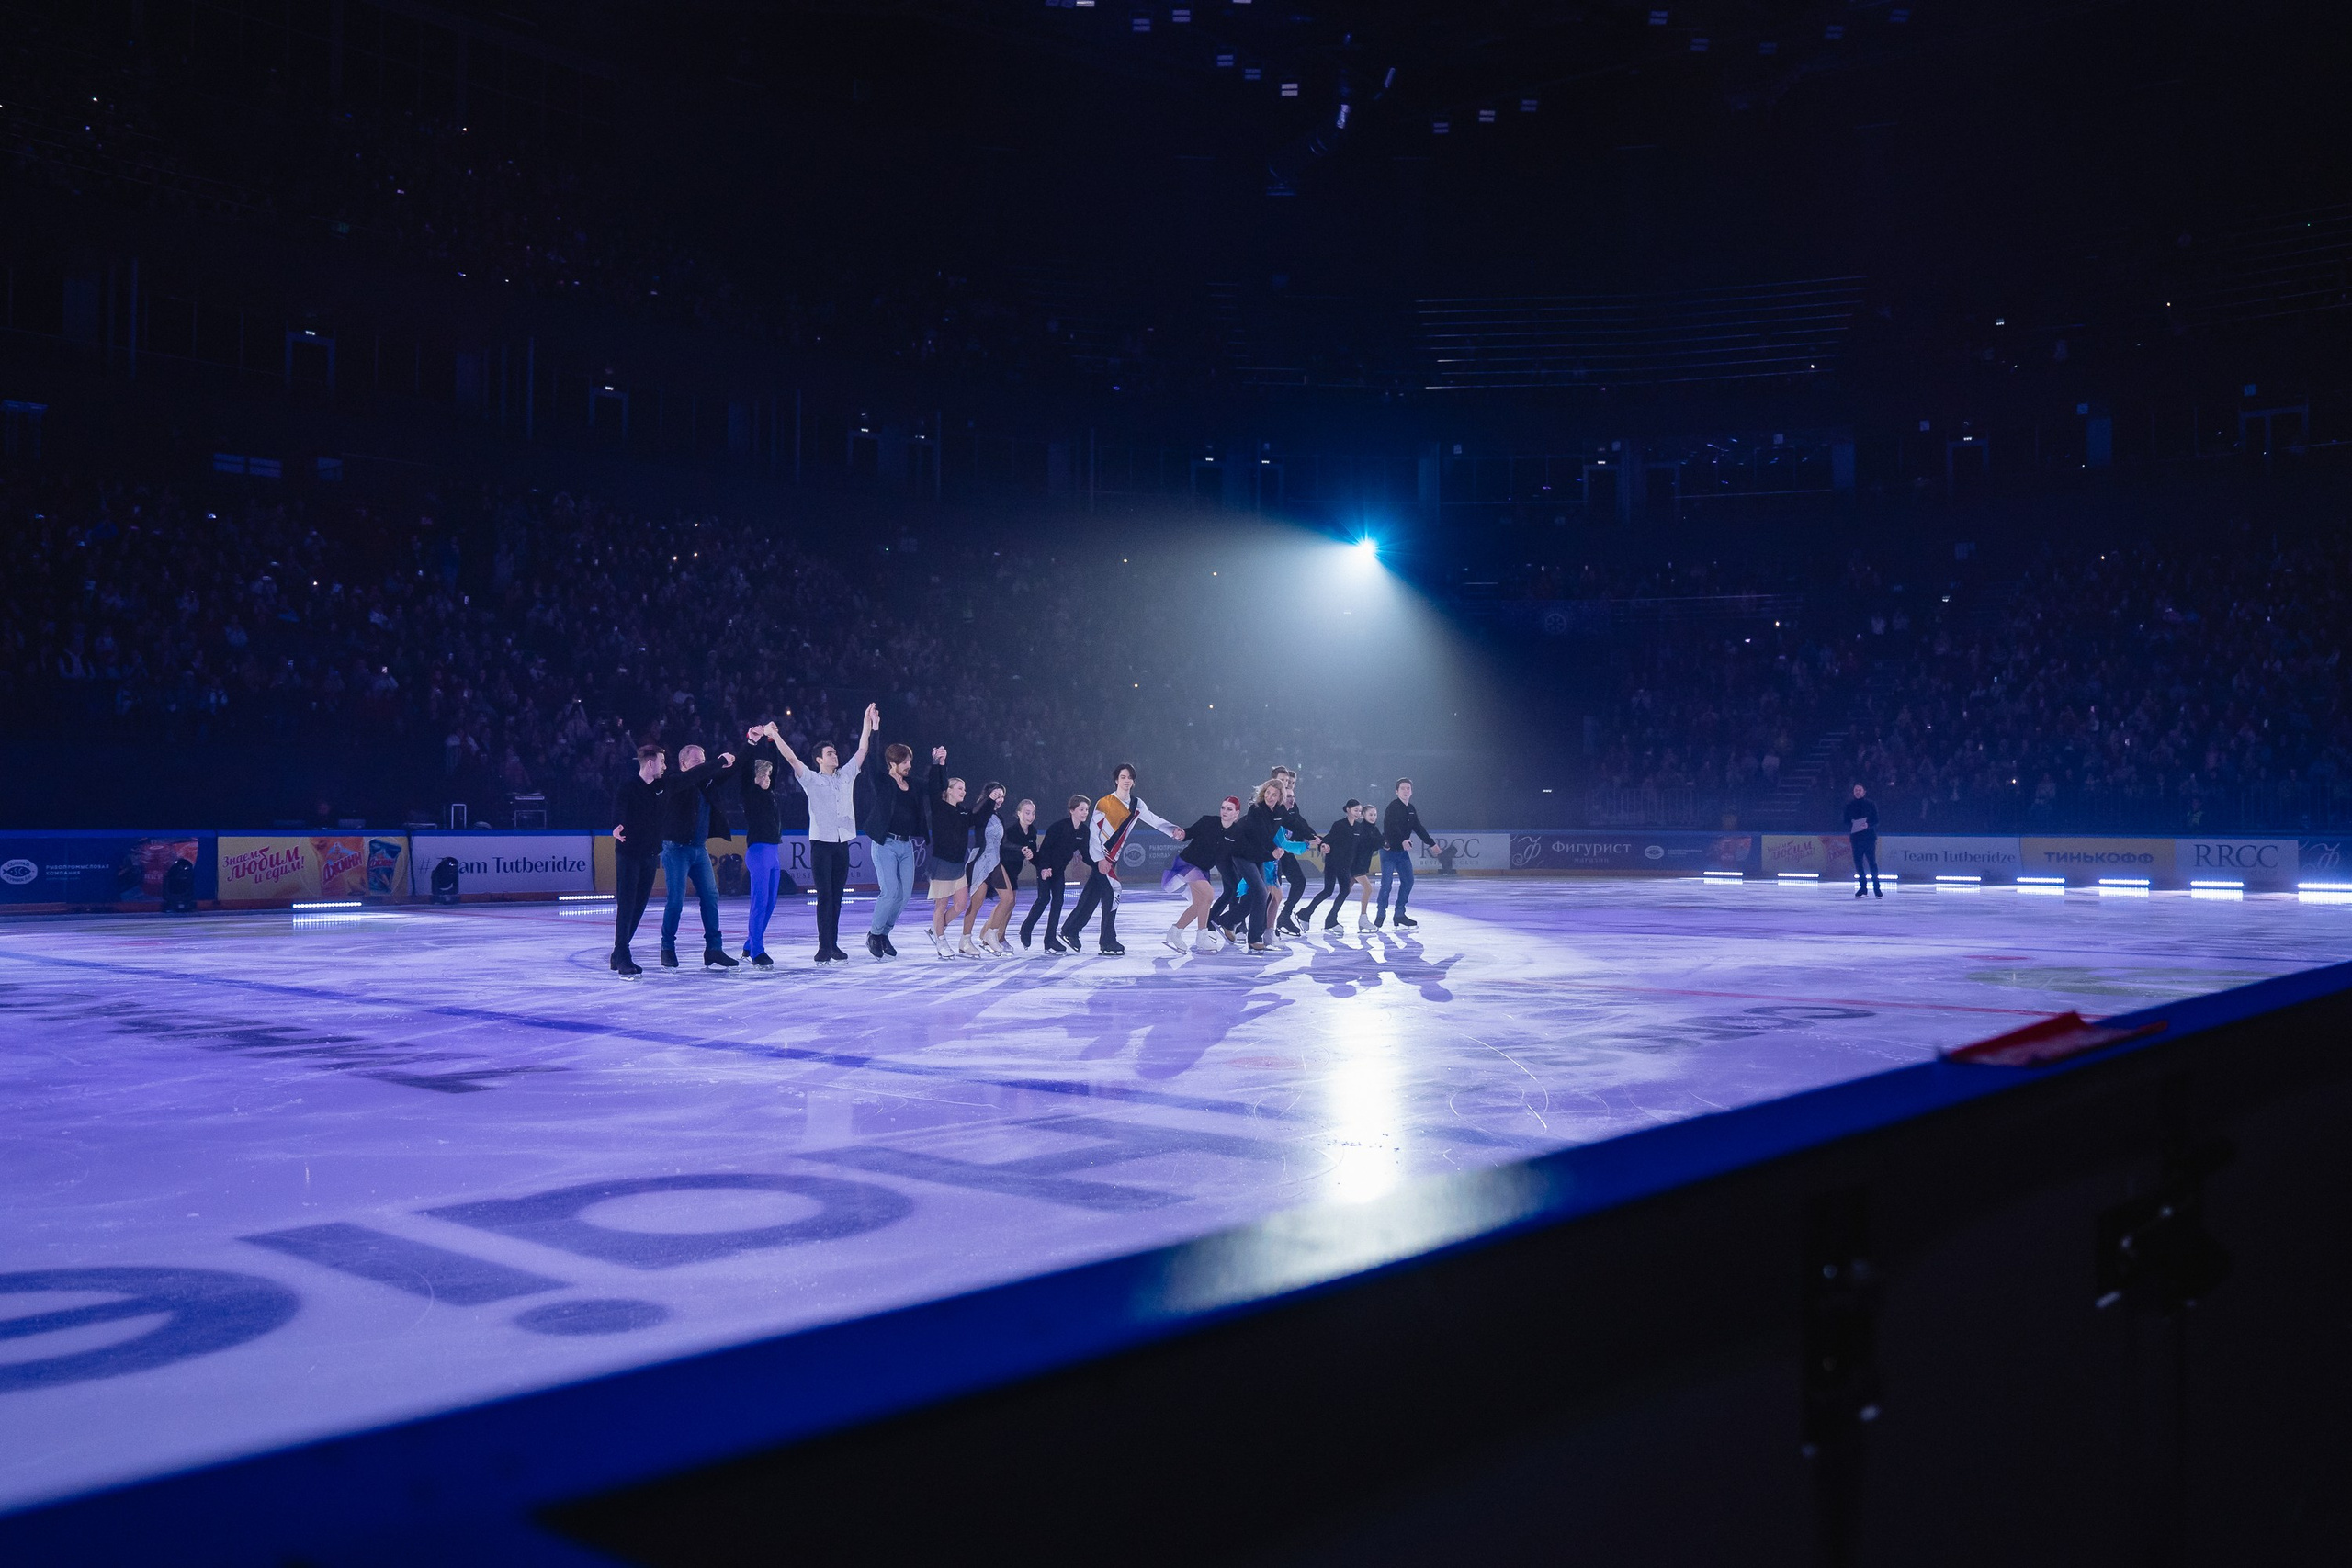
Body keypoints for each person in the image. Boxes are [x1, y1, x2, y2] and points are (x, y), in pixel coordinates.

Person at [752, 704, 874, 964]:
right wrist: (774, 736)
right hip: (821, 844)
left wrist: (866, 722)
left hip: (843, 843)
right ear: (819, 759)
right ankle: (823, 946)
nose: (835, 756)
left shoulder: (846, 776)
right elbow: (791, 758)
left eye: (835, 753)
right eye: (830, 754)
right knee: (825, 896)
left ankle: (834, 944)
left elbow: (863, 749)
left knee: (838, 897)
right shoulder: (811, 779)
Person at [1059, 763, 1185, 956]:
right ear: (1116, 780)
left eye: (1130, 777)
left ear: (1133, 782)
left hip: (1112, 859)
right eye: (1123, 777)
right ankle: (1107, 941)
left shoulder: (1136, 804)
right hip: (1100, 855)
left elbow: (1153, 819)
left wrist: (1172, 830)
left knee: (1093, 894)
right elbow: (1094, 834)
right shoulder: (1105, 803)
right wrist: (1100, 859)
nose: (1127, 780)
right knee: (1113, 891)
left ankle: (1070, 930)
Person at [659, 742, 739, 967]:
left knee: (711, 896)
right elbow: (702, 772)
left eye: (704, 761)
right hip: (675, 849)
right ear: (683, 764)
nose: (702, 765)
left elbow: (732, 767)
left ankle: (714, 949)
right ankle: (667, 947)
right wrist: (719, 761)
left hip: (699, 849)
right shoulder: (675, 781)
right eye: (696, 761)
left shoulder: (706, 782)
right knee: (675, 900)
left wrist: (751, 743)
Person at [924, 749, 996, 959]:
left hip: (958, 865)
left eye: (964, 788)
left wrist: (991, 800)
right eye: (959, 788)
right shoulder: (939, 807)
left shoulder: (963, 811)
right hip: (943, 863)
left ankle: (937, 929)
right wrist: (939, 764)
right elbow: (934, 786)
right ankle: (940, 939)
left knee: (961, 904)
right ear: (949, 790)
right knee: (941, 905)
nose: (964, 791)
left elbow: (978, 818)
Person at [860, 739, 926, 959]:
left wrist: (939, 764)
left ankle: (884, 933)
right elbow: (872, 757)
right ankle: (874, 934)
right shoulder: (881, 781)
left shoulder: (913, 784)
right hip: (885, 844)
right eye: (905, 761)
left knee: (904, 894)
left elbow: (935, 787)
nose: (909, 765)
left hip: (906, 846)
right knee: (890, 892)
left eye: (909, 761)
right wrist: (874, 728)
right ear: (892, 763)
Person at [609, 743, 665, 976]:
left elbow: (691, 778)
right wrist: (617, 825)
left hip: (650, 855)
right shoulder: (629, 786)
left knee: (639, 906)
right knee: (627, 905)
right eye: (662, 762)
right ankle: (622, 955)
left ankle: (618, 953)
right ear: (650, 763)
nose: (665, 766)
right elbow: (618, 809)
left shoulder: (662, 786)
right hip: (629, 854)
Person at [1215, 780, 1285, 953]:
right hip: (1241, 853)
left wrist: (1313, 837)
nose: (1270, 796)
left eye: (1274, 794)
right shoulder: (1256, 809)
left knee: (1258, 893)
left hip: (1256, 856)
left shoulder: (1278, 812)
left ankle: (1228, 921)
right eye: (1268, 793)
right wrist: (1273, 849)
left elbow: (1295, 822)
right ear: (1263, 793)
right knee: (1261, 891)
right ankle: (1254, 939)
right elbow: (1261, 835)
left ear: (1279, 797)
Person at [1164, 795, 1241, 953]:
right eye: (1223, 808)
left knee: (1199, 904)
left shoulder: (1236, 833)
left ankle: (1175, 932)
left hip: (1202, 870)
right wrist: (1182, 834)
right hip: (1187, 863)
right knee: (1208, 894)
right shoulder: (1207, 821)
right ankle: (1202, 936)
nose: (1224, 811)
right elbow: (1190, 832)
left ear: (1236, 814)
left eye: (1229, 809)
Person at [737, 740, 788, 968]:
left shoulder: (771, 792)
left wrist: (772, 740)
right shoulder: (751, 793)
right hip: (758, 852)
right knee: (760, 902)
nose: (767, 778)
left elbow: (775, 766)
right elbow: (747, 768)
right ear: (754, 777)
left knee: (770, 902)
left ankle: (750, 944)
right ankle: (757, 951)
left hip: (773, 853)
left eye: (768, 775)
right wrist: (754, 741)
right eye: (762, 775)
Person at [1023, 795, 1089, 952]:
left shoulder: (1084, 831)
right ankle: (1026, 928)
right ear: (1072, 810)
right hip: (1045, 866)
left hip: (1058, 870)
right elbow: (1044, 850)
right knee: (1044, 899)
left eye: (1086, 810)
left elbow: (1085, 853)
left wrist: (1099, 864)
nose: (1085, 812)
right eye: (1081, 809)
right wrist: (1044, 868)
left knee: (1058, 902)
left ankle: (1050, 940)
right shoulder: (1058, 827)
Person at [957, 782, 1011, 956]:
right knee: (976, 903)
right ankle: (965, 940)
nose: (1000, 799)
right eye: (997, 795)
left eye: (1002, 796)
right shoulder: (981, 810)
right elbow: (975, 817)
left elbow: (1002, 843)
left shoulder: (999, 817)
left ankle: (991, 933)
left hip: (995, 861)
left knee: (1008, 899)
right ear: (988, 795)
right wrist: (989, 800)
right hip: (980, 860)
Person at [1375, 777, 1437, 929]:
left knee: (1409, 881)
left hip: (1402, 853)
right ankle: (1380, 914)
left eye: (1408, 788)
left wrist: (1431, 843)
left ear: (1411, 791)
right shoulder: (1392, 807)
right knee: (1386, 884)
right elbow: (1391, 826)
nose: (1405, 791)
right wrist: (1403, 839)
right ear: (1397, 791)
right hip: (1389, 851)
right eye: (1402, 788)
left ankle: (1399, 914)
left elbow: (1418, 827)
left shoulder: (1411, 809)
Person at [979, 796, 1036, 954]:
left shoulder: (1032, 831)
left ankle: (996, 935)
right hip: (1003, 867)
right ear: (1018, 813)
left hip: (1014, 870)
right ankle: (992, 935)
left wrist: (1033, 855)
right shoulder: (1011, 830)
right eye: (1027, 812)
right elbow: (1005, 846)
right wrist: (1021, 850)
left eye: (1032, 813)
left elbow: (1033, 852)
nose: (1030, 816)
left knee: (1010, 903)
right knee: (1007, 901)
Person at [1296, 800, 1363, 931]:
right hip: (1333, 863)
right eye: (1356, 810)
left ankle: (1309, 914)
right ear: (1348, 810)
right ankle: (1324, 918)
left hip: (1346, 865)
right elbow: (1328, 839)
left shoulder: (1358, 827)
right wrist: (1323, 845)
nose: (1358, 813)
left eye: (1360, 811)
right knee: (1331, 890)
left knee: (1341, 891)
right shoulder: (1339, 825)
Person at [1845, 783, 1883, 897]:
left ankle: (1877, 888)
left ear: (1864, 792)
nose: (1857, 792)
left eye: (1860, 790)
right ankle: (1863, 887)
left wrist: (1868, 825)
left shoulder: (1871, 804)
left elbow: (1876, 820)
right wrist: (1851, 824)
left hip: (1869, 838)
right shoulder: (1849, 805)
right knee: (1858, 864)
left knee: (1872, 863)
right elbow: (1845, 820)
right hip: (1856, 838)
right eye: (1856, 790)